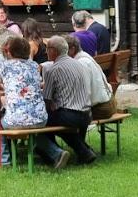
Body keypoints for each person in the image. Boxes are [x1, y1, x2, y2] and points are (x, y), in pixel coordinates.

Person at [0, 35, 69, 169]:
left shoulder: (3, 66)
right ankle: (56, 153)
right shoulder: (34, 65)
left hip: (16, 120)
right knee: (31, 129)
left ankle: (4, 161)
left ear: (8, 51)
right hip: (41, 118)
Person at [41, 35, 97, 165]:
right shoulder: (80, 64)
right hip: (87, 113)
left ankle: (54, 153)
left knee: (41, 119)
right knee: (54, 119)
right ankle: (84, 151)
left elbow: (47, 100)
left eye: (47, 48)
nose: (45, 52)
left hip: (70, 115)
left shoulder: (52, 70)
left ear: (54, 50)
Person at [65, 34, 116, 120]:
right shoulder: (84, 57)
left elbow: (84, 93)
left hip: (101, 108)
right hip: (106, 103)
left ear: (72, 49)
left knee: (65, 116)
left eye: (63, 51)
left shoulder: (81, 63)